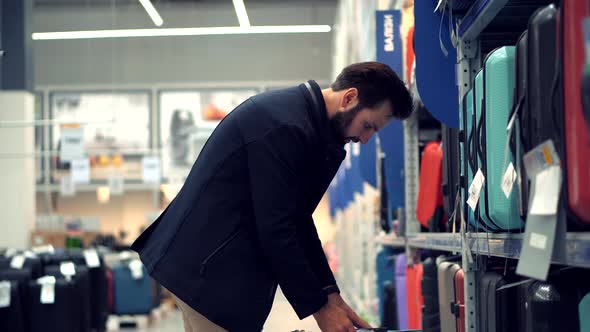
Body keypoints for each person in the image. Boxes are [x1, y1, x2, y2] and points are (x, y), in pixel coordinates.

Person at [131, 62, 413, 332]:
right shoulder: (284, 126)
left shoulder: (304, 125)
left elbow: (298, 221)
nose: (365, 140)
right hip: (210, 274)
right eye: (368, 126)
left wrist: (330, 294)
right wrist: (321, 310)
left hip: (208, 269)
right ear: (350, 98)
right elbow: (276, 228)